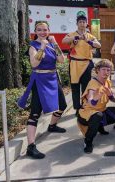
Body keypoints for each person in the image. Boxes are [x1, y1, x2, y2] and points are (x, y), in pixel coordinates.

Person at [18, 21, 67, 159]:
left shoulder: (52, 44)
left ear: (49, 30)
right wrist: (42, 48)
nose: (42, 32)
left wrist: (55, 43)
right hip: (39, 79)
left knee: (62, 105)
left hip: (52, 78)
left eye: (45, 29)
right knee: (35, 113)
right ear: (36, 31)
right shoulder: (33, 46)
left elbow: (62, 60)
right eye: (39, 30)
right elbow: (34, 63)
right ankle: (31, 146)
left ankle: (52, 126)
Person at [77, 59, 115, 154]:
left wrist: (110, 94)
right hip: (87, 114)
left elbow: (113, 100)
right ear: (98, 70)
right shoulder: (93, 83)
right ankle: (88, 141)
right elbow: (91, 102)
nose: (106, 72)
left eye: (108, 70)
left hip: (101, 111)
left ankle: (99, 126)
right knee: (98, 116)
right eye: (103, 69)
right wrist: (97, 97)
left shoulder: (107, 82)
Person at [62, 15, 101, 116]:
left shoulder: (90, 36)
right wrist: (75, 38)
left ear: (86, 24)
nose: (82, 24)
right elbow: (64, 41)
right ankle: (77, 108)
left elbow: (98, 45)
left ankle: (85, 106)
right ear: (77, 23)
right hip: (74, 63)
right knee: (75, 87)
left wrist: (88, 41)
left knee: (86, 87)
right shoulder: (72, 34)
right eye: (80, 22)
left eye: (84, 22)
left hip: (87, 63)